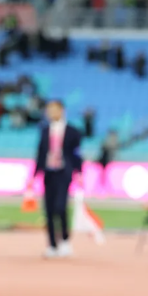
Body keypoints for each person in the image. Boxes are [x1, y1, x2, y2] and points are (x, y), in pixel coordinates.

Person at [27, 100, 83, 259]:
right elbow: (40, 153)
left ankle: (65, 241)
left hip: (64, 173)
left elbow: (77, 154)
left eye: (54, 109)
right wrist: (34, 175)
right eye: (48, 110)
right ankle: (52, 245)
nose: (50, 113)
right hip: (49, 173)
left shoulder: (73, 131)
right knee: (49, 209)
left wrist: (79, 172)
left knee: (61, 206)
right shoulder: (45, 130)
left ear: (62, 110)